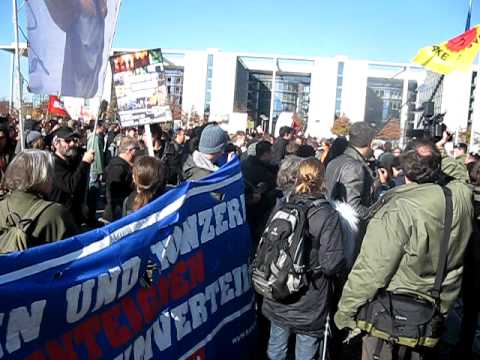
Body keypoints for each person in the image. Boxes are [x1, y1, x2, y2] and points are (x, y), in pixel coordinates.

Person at [334, 140, 474, 360]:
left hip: (390, 319)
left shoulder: (398, 208)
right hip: (435, 312)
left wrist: (345, 312)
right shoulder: (461, 197)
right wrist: (435, 151)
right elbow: (459, 173)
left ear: (403, 170)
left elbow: (372, 269)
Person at [262, 158, 346, 360]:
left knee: (276, 347)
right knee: (306, 351)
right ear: (322, 180)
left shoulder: (283, 205)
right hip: (311, 297)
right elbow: (331, 264)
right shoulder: (327, 214)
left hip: (278, 289)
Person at [0, 150, 77, 252]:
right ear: (42, 177)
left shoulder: (2, 205)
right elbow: (77, 256)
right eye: (50, 174)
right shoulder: (56, 213)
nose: (52, 179)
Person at [325, 122, 375, 259]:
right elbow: (353, 206)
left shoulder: (335, 160)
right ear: (370, 143)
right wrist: (375, 216)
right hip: (348, 233)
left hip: (334, 229)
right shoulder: (354, 166)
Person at [44, 0, 107, 97]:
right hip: (81, 25)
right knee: (79, 81)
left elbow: (102, 9)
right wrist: (78, 2)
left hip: (92, 25)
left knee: (88, 79)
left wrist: (101, 6)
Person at [48, 127, 95, 226]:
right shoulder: (53, 164)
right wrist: (84, 163)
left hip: (74, 216)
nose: (72, 144)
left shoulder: (72, 160)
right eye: (67, 141)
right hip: (60, 218)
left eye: (74, 140)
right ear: (56, 143)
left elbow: (80, 184)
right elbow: (71, 186)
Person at [103, 137, 138, 222]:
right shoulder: (118, 168)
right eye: (136, 149)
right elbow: (113, 194)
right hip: (117, 214)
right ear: (129, 150)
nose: (137, 152)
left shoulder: (123, 165)